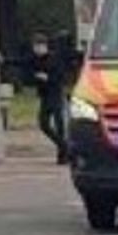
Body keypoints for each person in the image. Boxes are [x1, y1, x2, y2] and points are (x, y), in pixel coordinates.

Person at [27, 34, 73, 164]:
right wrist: (3, 60)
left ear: (45, 46)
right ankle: (64, 147)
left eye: (38, 46)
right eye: (35, 46)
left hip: (56, 94)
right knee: (44, 124)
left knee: (60, 125)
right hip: (45, 95)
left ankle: (63, 154)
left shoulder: (54, 59)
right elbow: (21, 61)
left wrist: (47, 78)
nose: (36, 49)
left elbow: (61, 76)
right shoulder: (34, 59)